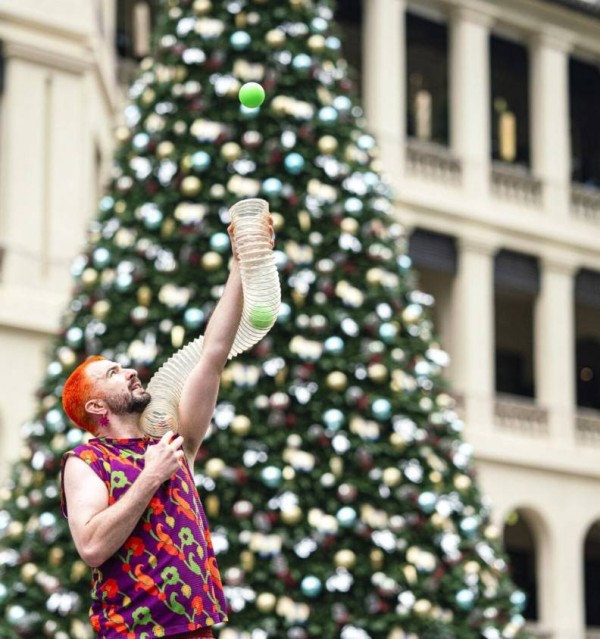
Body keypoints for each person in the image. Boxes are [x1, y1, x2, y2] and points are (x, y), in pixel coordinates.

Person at [60, 219, 272, 639]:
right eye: (113, 373)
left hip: (196, 627)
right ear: (96, 406)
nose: (129, 372)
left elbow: (212, 354)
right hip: (133, 632)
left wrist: (240, 264)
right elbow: (92, 546)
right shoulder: (85, 461)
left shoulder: (172, 442)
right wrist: (151, 475)